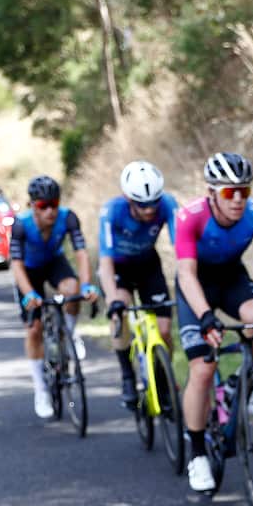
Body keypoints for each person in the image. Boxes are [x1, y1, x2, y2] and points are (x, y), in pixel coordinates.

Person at [174, 151, 253, 492]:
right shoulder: (190, 216)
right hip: (196, 283)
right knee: (202, 368)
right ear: (211, 193)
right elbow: (185, 274)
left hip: (231, 278)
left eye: (244, 192)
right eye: (229, 193)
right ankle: (198, 453)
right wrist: (205, 316)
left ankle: (239, 380)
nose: (238, 200)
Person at [11, 175, 97, 419]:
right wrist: (29, 294)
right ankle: (41, 389)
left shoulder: (68, 218)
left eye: (54, 204)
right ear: (32, 206)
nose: (50, 210)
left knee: (72, 291)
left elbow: (80, 254)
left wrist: (87, 285)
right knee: (34, 329)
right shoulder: (20, 225)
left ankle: (69, 334)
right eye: (42, 206)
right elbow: (16, 265)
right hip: (29, 271)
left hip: (54, 263)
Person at [99, 160, 180, 409]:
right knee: (120, 313)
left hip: (148, 266)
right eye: (142, 204)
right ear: (128, 198)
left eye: (154, 202)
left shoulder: (168, 204)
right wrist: (112, 299)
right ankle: (127, 375)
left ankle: (163, 377)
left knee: (165, 329)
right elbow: (105, 262)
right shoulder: (112, 211)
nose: (149, 210)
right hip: (119, 269)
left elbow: (182, 249)